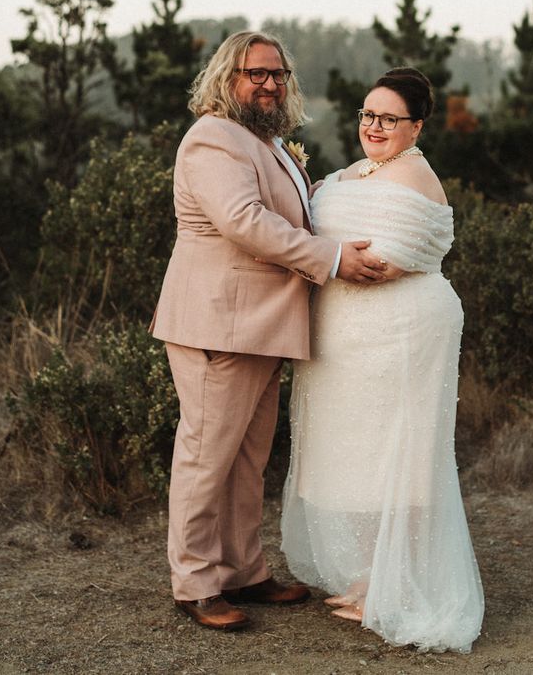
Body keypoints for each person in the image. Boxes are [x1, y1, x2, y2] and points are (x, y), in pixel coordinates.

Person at [149, 31, 387, 632]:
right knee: (207, 457)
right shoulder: (212, 138)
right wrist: (331, 259)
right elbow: (244, 221)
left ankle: (245, 571)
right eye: (255, 73)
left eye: (277, 74)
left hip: (263, 327)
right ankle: (196, 583)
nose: (269, 83)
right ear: (228, 78)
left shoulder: (270, 142)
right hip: (219, 325)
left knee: (248, 459)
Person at [281, 68, 485, 652]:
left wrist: (330, 247)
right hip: (349, 335)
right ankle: (371, 576)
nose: (374, 126)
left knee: (398, 454)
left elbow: (383, 263)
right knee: (357, 455)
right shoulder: (363, 170)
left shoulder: (416, 175)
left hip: (400, 332)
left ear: (415, 126)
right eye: (368, 115)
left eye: (389, 118)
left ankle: (393, 586)